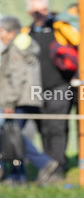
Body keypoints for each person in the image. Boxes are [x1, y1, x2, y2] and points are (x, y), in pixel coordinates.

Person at [0, 16, 61, 184]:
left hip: (20, 99)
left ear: (11, 33)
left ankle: (43, 163)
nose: (0, 35)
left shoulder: (15, 49)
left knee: (13, 136)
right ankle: (17, 175)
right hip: (28, 97)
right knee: (12, 135)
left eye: (2, 31)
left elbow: (16, 77)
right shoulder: (24, 45)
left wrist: (9, 102)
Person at [24, 0, 79, 175]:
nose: (41, 14)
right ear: (29, 12)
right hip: (36, 89)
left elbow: (79, 41)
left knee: (57, 127)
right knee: (43, 128)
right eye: (36, 11)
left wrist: (59, 22)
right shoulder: (26, 33)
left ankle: (58, 166)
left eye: (44, 10)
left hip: (59, 86)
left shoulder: (59, 28)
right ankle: (47, 165)